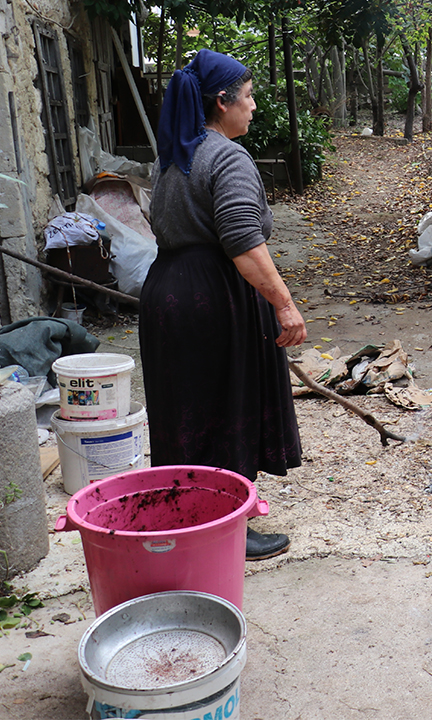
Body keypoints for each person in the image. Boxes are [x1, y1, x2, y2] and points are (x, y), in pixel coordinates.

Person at [140, 49, 307, 561]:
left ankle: (187, 515)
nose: (254, 106)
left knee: (183, 409)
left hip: (167, 294)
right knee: (224, 404)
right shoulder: (226, 157)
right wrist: (284, 304)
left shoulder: (173, 159)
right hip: (211, 298)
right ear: (222, 101)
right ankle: (227, 528)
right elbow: (243, 241)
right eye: (249, 95)